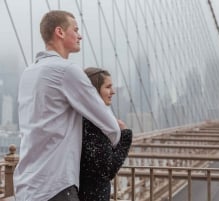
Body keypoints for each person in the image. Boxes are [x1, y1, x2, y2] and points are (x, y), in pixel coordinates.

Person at [14, 10, 121, 201]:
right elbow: (111, 127)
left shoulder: (28, 73)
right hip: (56, 187)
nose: (80, 35)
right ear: (60, 32)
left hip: (25, 187)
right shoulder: (66, 70)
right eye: (76, 29)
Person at [79, 67, 132, 201]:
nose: (113, 92)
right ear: (94, 91)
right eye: (108, 87)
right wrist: (125, 136)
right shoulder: (93, 124)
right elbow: (107, 170)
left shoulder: (84, 118)